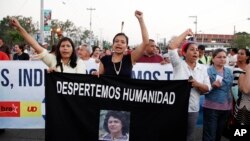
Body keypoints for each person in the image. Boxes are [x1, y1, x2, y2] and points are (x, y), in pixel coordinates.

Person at [168, 29, 211, 141]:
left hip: (192, 109)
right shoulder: (178, 65)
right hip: (176, 108)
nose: (196, 52)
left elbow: (207, 88)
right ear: (184, 53)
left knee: (189, 136)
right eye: (192, 50)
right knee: (174, 134)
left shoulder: (203, 68)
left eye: (197, 50)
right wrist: (186, 33)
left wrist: (197, 84)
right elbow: (172, 47)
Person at [10, 18, 86, 74]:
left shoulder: (79, 63)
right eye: (62, 46)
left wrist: (59, 75)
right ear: (58, 49)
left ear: (73, 49)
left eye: (68, 46)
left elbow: (80, 82)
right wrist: (19, 27)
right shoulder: (52, 60)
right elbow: (34, 44)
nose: (65, 48)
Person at [97, 10, 149, 78]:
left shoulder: (130, 58)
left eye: (122, 42)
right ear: (112, 45)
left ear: (126, 46)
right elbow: (99, 79)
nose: (119, 43)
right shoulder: (104, 59)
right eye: (116, 41)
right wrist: (95, 75)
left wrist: (141, 19)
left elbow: (146, 42)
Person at [203, 48, 233, 141]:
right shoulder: (207, 71)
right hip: (211, 108)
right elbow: (203, 90)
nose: (222, 59)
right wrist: (212, 86)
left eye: (224, 57)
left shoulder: (229, 71)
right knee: (210, 135)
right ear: (213, 58)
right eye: (219, 57)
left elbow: (229, 89)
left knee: (218, 134)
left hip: (226, 107)